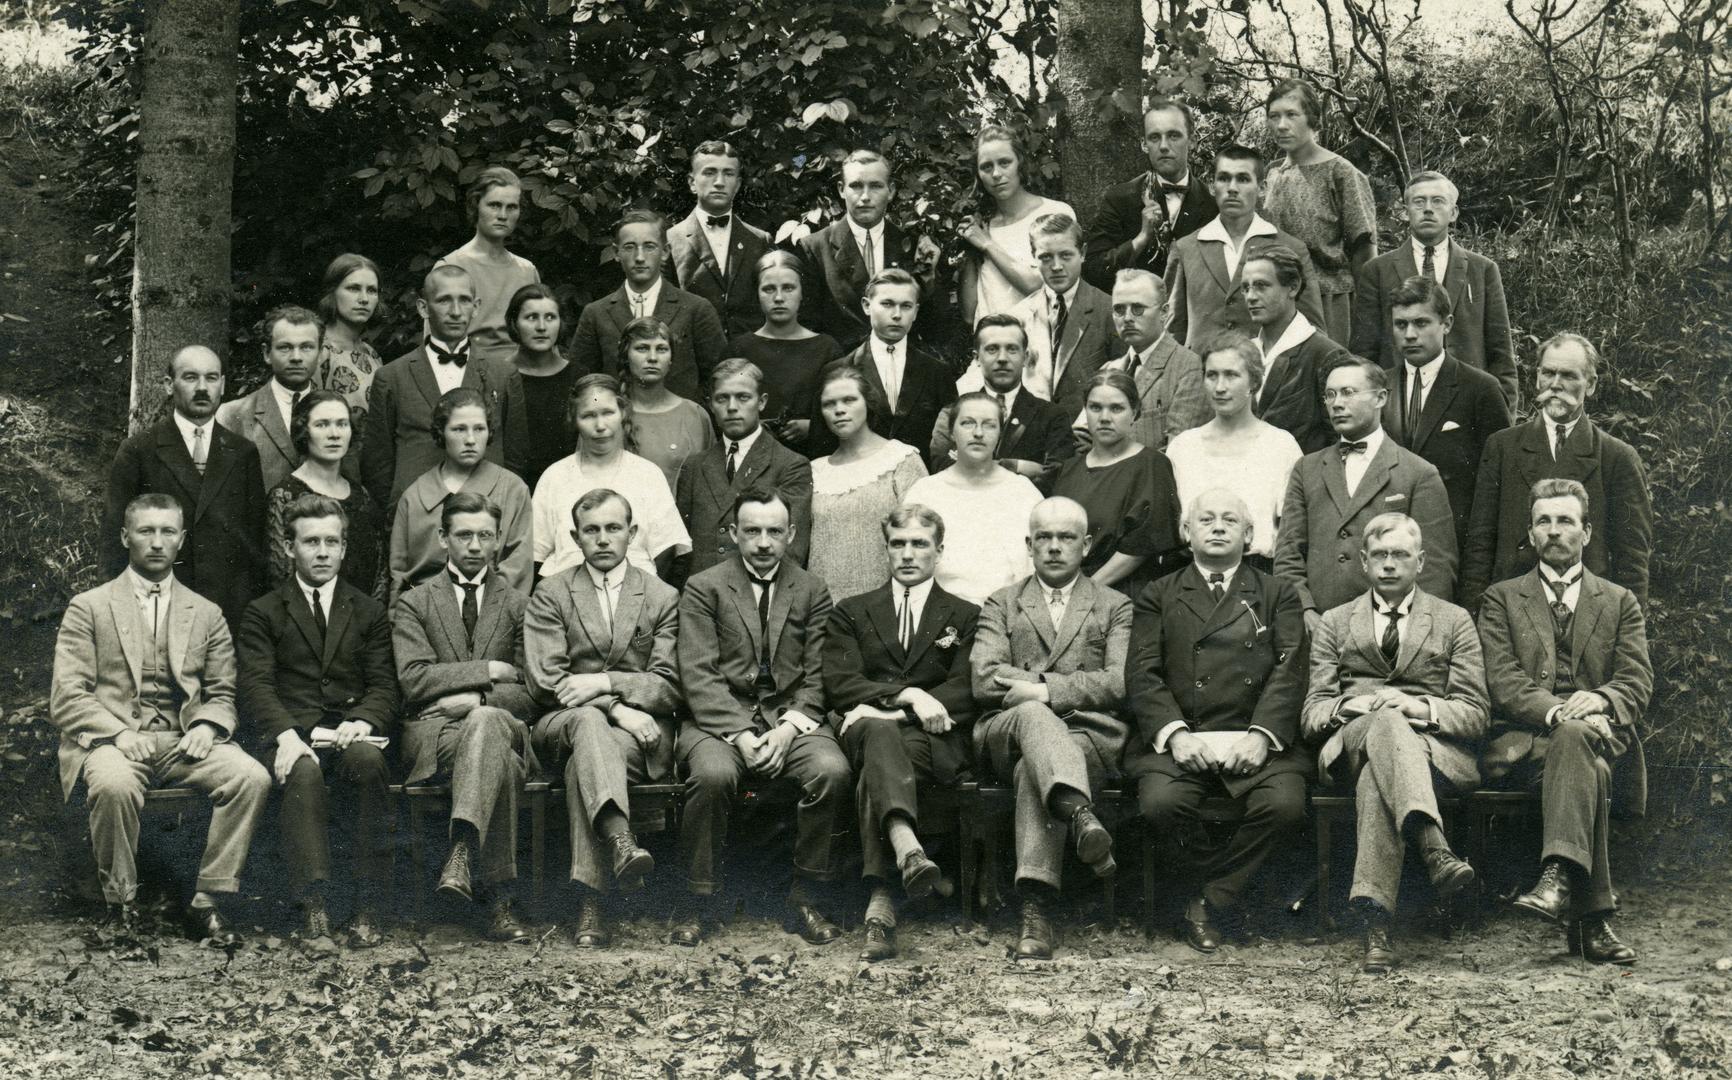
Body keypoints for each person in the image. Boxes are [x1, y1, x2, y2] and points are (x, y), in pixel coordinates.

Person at [51, 494, 270, 943]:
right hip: (112, 742)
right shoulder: (89, 607)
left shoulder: (206, 613)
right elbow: (68, 695)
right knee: (114, 783)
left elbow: (222, 692)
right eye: (146, 531)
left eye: (167, 531)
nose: (156, 542)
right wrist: (117, 733)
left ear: (182, 539)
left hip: (180, 742)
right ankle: (121, 906)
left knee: (250, 776)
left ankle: (206, 901)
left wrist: (207, 725)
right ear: (124, 537)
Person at [1300, 512, 1487, 974]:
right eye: (1380, 555)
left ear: (1420, 562)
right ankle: (1433, 846)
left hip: (1435, 754)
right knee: (1383, 722)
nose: (1389, 564)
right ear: (1363, 561)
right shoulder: (1335, 622)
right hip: (1353, 744)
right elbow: (1312, 713)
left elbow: (1475, 713)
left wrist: (1416, 707)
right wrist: (1353, 706)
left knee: (1376, 780)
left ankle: (1376, 926)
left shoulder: (1454, 620)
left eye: (1400, 554)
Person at [1124, 489, 1309, 952]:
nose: (1219, 526)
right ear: (1186, 533)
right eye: (1206, 519)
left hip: (1254, 736)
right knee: (1160, 805)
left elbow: (1290, 671)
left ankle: (1208, 900)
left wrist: (1262, 736)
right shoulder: (1158, 593)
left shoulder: (1278, 593)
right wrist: (1176, 735)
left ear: (1249, 535)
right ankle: (1226, 896)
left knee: (1284, 806)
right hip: (1186, 736)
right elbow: (1142, 673)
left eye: (1230, 519)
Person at [1478, 479, 1652, 965]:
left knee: (1582, 745)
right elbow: (1502, 679)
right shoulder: (1501, 598)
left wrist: (1599, 698)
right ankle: (1591, 922)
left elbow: (1637, 680)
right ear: (1531, 533)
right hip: (1526, 744)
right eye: (1544, 521)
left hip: (1601, 735)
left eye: (1565, 521)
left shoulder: (1618, 600)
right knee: (1590, 768)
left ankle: (1556, 878)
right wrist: (1558, 712)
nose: (1554, 531)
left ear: (1586, 532)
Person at [674, 490, 852, 947]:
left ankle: (806, 896)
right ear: (734, 533)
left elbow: (819, 674)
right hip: (720, 718)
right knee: (712, 775)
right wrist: (740, 733)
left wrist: (789, 730)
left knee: (830, 771)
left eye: (774, 531)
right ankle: (699, 899)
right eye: (752, 531)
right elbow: (698, 673)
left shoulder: (811, 589)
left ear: (791, 534)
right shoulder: (704, 587)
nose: (763, 542)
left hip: (791, 716)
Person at [970, 496, 1133, 960]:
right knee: (1032, 718)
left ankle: (1035, 908)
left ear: (1087, 544)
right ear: (1029, 544)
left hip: (1086, 734)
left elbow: (1118, 682)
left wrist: (1042, 690)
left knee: (1033, 770)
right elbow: (984, 676)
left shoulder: (1114, 605)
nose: (1055, 546)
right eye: (1044, 537)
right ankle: (1080, 815)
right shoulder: (1002, 602)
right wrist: (1047, 699)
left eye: (1066, 537)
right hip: (1008, 730)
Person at [237, 495, 399, 948]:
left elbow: (384, 684)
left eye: (332, 542)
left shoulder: (367, 610)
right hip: (290, 732)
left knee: (367, 762)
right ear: (290, 548)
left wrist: (363, 720)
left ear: (345, 548)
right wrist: (287, 736)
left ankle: (367, 907)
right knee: (303, 770)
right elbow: (256, 685)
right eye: (311, 542)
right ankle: (314, 907)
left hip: (348, 732)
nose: (323, 552)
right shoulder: (264, 611)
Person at [524, 489, 682, 948]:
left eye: (614, 528)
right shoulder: (551, 592)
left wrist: (604, 682)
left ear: (632, 533)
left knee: (588, 763)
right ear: (575, 538)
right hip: (562, 725)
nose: (603, 538)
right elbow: (545, 681)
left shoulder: (661, 596)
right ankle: (619, 839)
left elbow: (669, 685)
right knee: (591, 727)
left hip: (637, 739)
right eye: (591, 530)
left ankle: (590, 902)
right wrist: (615, 708)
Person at [823, 504, 980, 962]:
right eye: (898, 543)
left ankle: (882, 900)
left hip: (933, 741)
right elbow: (840, 682)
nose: (908, 554)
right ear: (886, 549)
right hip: (870, 735)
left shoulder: (966, 615)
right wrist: (909, 696)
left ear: (939, 551)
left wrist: (894, 713)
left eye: (920, 544)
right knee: (877, 736)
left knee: (878, 746)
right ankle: (906, 850)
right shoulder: (851, 612)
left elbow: (967, 687)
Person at [391, 491, 537, 943]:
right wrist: (490, 670)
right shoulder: (415, 602)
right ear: (443, 538)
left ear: (498, 540)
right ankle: (500, 902)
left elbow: (532, 690)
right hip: (435, 737)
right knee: (503, 762)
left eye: (485, 536)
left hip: (495, 725)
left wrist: (475, 699)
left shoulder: (519, 604)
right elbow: (414, 679)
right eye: (464, 535)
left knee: (487, 723)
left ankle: (462, 851)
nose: (475, 546)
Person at [1461, 333, 1652, 613]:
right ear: (1537, 378)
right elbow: (1479, 546)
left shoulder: (1616, 457)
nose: (1556, 385)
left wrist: (1627, 627)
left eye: (1569, 376)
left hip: (1587, 614)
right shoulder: (1502, 447)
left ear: (1591, 384)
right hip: (1512, 611)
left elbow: (1632, 560)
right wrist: (1476, 618)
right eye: (1548, 373)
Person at [1274, 356, 1457, 626]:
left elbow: (1435, 568)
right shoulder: (1307, 469)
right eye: (1330, 395)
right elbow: (1288, 553)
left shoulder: (1418, 473)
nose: (1337, 403)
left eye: (1348, 392)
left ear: (1380, 398)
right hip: (1317, 627)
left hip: (1391, 628)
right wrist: (1304, 611)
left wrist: (1408, 628)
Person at [103, 345, 267, 630]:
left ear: (222, 385)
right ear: (169, 385)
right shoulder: (139, 451)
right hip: (158, 609)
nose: (202, 388)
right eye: (190, 377)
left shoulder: (243, 453)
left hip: (227, 614)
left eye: (211, 378)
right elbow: (113, 543)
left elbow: (255, 544)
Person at [1351, 171, 1518, 410]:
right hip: (1399, 405)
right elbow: (1364, 353)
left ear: (1453, 213)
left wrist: (1503, 416)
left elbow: (1501, 353)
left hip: (1467, 404)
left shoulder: (1482, 269)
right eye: (1419, 202)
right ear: (1405, 212)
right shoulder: (1377, 270)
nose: (1428, 209)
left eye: (1438, 201)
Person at [1377, 276, 1511, 552]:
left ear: (1446, 324)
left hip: (1454, 538)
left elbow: (1498, 477)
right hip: (1389, 540)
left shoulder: (1480, 388)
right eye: (1400, 324)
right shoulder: (1379, 387)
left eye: (1421, 323)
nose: (1410, 334)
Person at [363, 264, 511, 512]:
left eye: (464, 301)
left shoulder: (503, 374)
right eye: (444, 301)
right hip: (415, 514)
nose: (456, 312)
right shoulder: (392, 376)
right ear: (423, 308)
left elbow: (515, 456)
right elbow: (377, 462)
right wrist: (402, 509)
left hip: (484, 512)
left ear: (476, 307)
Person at [1163, 145, 1326, 351]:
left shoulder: (1291, 247)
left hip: (1265, 368)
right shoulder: (1186, 248)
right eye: (1224, 178)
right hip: (1200, 368)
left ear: (1262, 188)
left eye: (1243, 179)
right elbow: (1171, 331)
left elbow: (1312, 331)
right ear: (1212, 186)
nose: (1232, 188)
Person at [532, 374, 691, 581]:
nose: (600, 425)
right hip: (566, 590)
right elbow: (535, 552)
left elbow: (667, 549)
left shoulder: (647, 474)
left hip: (635, 590)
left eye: (608, 413)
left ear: (623, 412)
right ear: (575, 420)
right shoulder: (555, 476)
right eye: (588, 416)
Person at [1165, 336, 1304, 569]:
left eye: (1231, 375)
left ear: (1254, 382)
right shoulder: (1183, 446)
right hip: (1191, 572)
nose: (1220, 387)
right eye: (1212, 375)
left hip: (1258, 573)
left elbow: (1291, 533)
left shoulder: (1280, 445)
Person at [389, 387, 533, 605]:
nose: (470, 439)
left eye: (479, 429)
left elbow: (518, 567)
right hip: (424, 610)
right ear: (441, 432)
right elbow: (399, 574)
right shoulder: (414, 496)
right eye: (459, 429)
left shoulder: (513, 489)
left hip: (492, 608)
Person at [1261, 79, 1378, 345]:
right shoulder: (1273, 173)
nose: (1281, 125)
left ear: (1312, 119)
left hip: (1330, 303)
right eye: (1274, 116)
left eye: (1292, 115)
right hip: (1280, 301)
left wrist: (1367, 320)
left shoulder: (1341, 172)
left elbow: (1364, 252)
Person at [569, 209, 728, 403]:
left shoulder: (696, 309)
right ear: (616, 252)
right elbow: (580, 382)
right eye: (629, 247)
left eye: (649, 246)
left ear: (665, 251)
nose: (639, 257)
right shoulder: (596, 313)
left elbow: (719, 379)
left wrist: (689, 412)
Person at [675, 359, 813, 581]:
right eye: (722, 398)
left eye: (743, 397)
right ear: (711, 404)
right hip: (701, 595)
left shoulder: (790, 465)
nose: (732, 407)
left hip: (758, 593)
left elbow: (791, 552)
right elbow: (682, 549)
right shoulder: (694, 466)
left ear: (761, 402)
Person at [796, 148, 946, 352]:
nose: (865, 196)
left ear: (891, 191)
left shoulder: (911, 246)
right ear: (841, 189)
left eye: (875, 186)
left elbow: (938, 330)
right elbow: (807, 330)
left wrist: (927, 275)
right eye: (856, 186)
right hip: (841, 368)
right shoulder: (814, 248)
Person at [902, 394, 1045, 605]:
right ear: (951, 432)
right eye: (967, 423)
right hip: (941, 613)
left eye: (989, 425)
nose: (978, 433)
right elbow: (908, 565)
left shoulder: (1023, 492)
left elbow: (1041, 566)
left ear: (1000, 433)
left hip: (1009, 613)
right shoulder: (925, 492)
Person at [1050, 369, 1184, 594]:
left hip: (1125, 591)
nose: (1104, 418)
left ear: (1135, 413)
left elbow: (1140, 547)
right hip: (1068, 587)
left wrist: (1082, 591)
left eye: (1116, 408)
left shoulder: (1151, 465)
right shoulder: (1070, 469)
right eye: (1095, 407)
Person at [810, 268, 956, 465]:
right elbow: (821, 448)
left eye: (906, 306)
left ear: (916, 312)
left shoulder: (937, 372)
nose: (897, 315)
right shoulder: (836, 371)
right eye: (887, 304)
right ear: (866, 306)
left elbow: (949, 444)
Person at [810, 366, 929, 602]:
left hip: (884, 603)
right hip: (824, 605)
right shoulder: (815, 470)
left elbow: (921, 537)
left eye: (849, 400)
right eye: (829, 404)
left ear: (868, 403)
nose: (839, 410)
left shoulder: (900, 460)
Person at [1083, 99, 1215, 288]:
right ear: (1144, 144)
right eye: (1154, 137)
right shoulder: (1120, 198)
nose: (1164, 146)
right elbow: (1092, 270)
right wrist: (1141, 239)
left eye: (1174, 136)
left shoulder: (1213, 203)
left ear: (1192, 141)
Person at [1071, 269, 1208, 451]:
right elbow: (1080, 437)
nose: (1127, 318)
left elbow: (1178, 451)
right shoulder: (1110, 369)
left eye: (1138, 309)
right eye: (1119, 309)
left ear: (1164, 312)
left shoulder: (1189, 368)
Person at [930, 314, 1074, 485]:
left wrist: (971, 465)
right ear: (977, 358)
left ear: (1025, 357)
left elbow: (1055, 475)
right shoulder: (952, 414)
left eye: (1012, 349)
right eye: (992, 349)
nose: (1002, 358)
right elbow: (942, 468)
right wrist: (1016, 466)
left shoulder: (1052, 416)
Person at [266, 391, 384, 595]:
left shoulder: (362, 496)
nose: (334, 434)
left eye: (342, 424)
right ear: (304, 431)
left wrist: (371, 613)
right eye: (322, 425)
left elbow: (380, 573)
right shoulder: (284, 496)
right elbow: (281, 580)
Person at [958, 124, 1076, 326]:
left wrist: (987, 245)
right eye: (986, 167)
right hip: (990, 341)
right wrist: (971, 247)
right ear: (978, 174)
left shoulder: (1054, 213)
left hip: (1040, 339)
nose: (996, 173)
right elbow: (969, 315)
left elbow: (1040, 286)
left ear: (1020, 164)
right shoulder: (983, 226)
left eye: (1004, 162)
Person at [1002, 214, 1117, 414]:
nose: (1056, 266)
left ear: (1082, 253)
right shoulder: (1018, 317)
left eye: (1065, 255)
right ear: (1033, 256)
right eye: (1046, 257)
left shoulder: (1109, 311)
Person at [728, 249, 841, 453]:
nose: (779, 297)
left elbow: (842, 405)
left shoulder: (827, 348)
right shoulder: (740, 348)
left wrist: (814, 426)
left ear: (802, 292)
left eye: (788, 288)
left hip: (814, 455)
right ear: (757, 294)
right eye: (769, 289)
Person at [1242, 246, 1349, 454]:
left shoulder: (1326, 355)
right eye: (1246, 288)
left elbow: (1340, 441)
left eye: (1261, 286)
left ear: (1293, 287)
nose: (1250, 297)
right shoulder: (1245, 353)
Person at [436, 166, 541, 366]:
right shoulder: (451, 266)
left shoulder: (527, 271)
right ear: (476, 205)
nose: (503, 215)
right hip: (468, 370)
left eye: (511, 207)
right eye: (494, 205)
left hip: (523, 372)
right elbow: (437, 346)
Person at [666, 140, 773, 336]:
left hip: (749, 352)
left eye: (728, 173)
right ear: (692, 183)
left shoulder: (759, 240)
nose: (719, 182)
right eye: (709, 172)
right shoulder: (670, 241)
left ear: (738, 185)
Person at [216, 304, 321, 492]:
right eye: (285, 347)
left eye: (306, 347)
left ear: (319, 353)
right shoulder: (232, 415)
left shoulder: (338, 412)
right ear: (266, 353)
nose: (296, 357)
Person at [499, 283, 578, 493]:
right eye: (531, 317)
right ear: (514, 323)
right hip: (512, 488)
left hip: (567, 488)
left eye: (550, 317)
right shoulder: (500, 375)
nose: (542, 327)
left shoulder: (579, 376)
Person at [621, 316, 714, 491]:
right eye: (642, 348)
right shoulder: (609, 413)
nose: (652, 358)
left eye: (661, 349)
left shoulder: (695, 414)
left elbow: (709, 484)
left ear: (671, 359)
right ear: (626, 356)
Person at [313, 253, 384, 440]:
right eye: (353, 288)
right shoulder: (318, 351)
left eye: (372, 290)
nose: (364, 299)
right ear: (332, 293)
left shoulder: (371, 354)